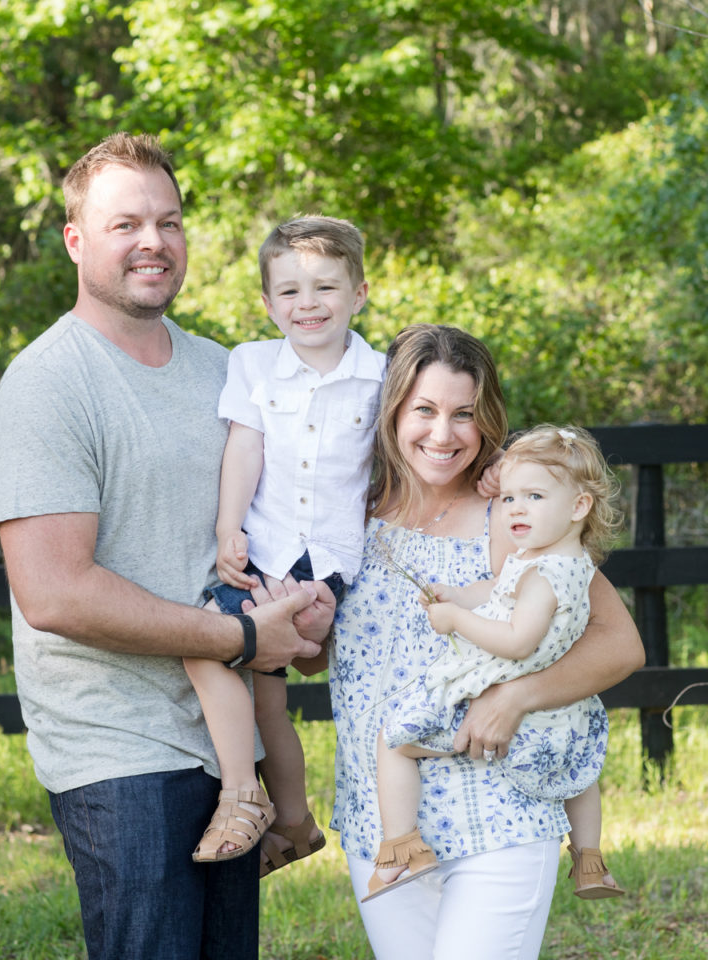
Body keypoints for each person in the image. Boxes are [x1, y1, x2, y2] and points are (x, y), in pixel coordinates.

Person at [0, 132, 334, 960]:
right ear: (76, 240)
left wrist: (305, 618)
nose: (153, 241)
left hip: (230, 744)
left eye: (169, 221)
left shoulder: (229, 370)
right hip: (119, 753)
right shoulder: (47, 386)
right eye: (125, 224)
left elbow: (293, 513)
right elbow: (56, 593)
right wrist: (245, 637)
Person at [319, 323, 644, 960]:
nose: (443, 435)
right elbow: (314, 656)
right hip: (383, 822)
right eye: (424, 410)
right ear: (391, 412)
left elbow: (619, 643)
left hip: (496, 810)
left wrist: (516, 696)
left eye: (463, 414)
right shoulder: (348, 512)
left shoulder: (514, 513)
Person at [186, 215, 384, 873]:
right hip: (265, 549)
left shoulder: (381, 377)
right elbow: (245, 448)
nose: (308, 305)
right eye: (290, 292)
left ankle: (246, 798)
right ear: (268, 302)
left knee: (216, 646)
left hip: (329, 563)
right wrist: (228, 528)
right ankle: (293, 820)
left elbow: (398, 466)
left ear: (359, 293)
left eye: (326, 288)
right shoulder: (253, 364)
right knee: (251, 682)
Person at [369, 424, 625, 902]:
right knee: (580, 773)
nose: (516, 508)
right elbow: (502, 592)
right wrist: (463, 595)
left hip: (502, 696)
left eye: (533, 496)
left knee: (394, 739)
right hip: (562, 709)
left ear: (579, 506)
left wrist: (455, 618)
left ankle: (401, 845)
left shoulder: (542, 576)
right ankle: (589, 860)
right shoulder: (567, 563)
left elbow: (516, 640)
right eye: (508, 498)